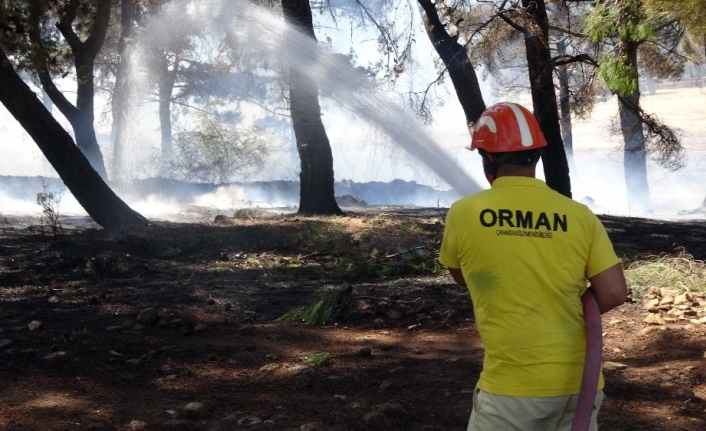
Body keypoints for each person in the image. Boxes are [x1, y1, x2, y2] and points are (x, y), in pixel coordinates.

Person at [438, 102, 628, 431]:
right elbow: (613, 292)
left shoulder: (465, 212)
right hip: (579, 383)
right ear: (537, 155)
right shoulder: (579, 215)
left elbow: (462, 277)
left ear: (488, 158)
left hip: (511, 389)